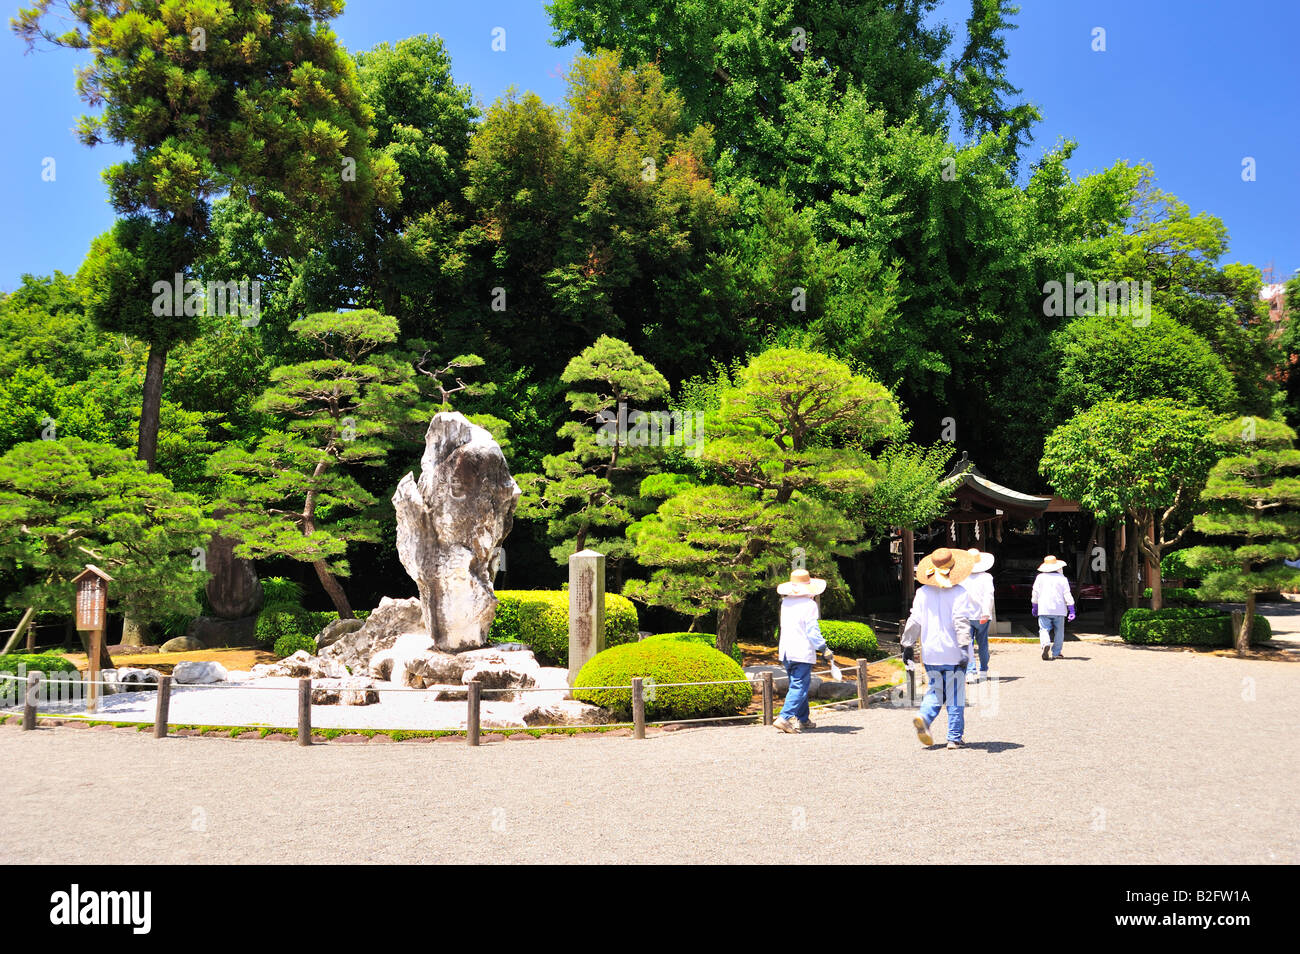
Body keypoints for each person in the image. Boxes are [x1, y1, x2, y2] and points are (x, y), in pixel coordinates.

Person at [901, 547, 977, 749]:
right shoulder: (960, 592)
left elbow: (914, 620)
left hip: (931, 652)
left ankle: (924, 717)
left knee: (936, 690)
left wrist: (907, 644)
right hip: (953, 651)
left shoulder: (922, 592)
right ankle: (954, 737)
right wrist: (963, 648)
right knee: (955, 695)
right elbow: (960, 621)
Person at [774, 568, 835, 734]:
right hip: (801, 650)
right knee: (800, 686)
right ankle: (784, 718)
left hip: (786, 650)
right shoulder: (809, 605)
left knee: (798, 684)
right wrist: (823, 648)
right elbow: (812, 631)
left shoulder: (786, 602)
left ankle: (803, 719)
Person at [1032, 554, 1075, 660]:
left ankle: (1045, 644)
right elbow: (1067, 594)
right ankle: (1056, 652)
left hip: (1044, 609)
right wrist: (1072, 610)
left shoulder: (1040, 577)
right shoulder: (1063, 579)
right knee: (1059, 631)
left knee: (1044, 629)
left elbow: (1035, 593)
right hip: (1060, 610)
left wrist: (1035, 606)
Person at [963, 548, 996, 682]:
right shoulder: (987, 577)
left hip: (965, 615)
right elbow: (989, 596)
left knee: (968, 644)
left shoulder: (962, 577)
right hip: (982, 615)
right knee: (983, 643)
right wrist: (986, 612)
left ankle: (970, 671)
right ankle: (983, 670)